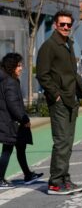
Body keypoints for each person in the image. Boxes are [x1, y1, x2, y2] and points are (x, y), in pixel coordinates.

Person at [36, 10, 82, 195]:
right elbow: (42, 75)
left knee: (68, 141)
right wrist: (56, 95)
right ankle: (55, 182)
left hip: (71, 99)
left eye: (68, 24)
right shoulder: (49, 46)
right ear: (55, 25)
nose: (66, 27)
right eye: (62, 24)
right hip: (60, 101)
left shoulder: (68, 43)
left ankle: (65, 179)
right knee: (61, 142)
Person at [0, 53, 43, 189]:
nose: (21, 68)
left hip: (11, 122)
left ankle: (28, 174)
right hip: (11, 123)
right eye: (18, 65)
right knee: (7, 150)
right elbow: (13, 104)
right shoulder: (10, 82)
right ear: (11, 67)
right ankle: (0, 179)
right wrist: (24, 119)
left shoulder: (10, 80)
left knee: (20, 148)